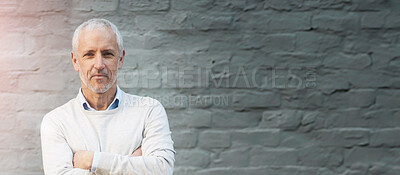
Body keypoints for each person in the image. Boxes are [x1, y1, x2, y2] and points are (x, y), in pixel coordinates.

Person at [40, 18, 175, 175]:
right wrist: (134, 163)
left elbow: (162, 170)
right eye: (89, 54)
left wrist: (93, 160)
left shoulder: (149, 111)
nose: (99, 64)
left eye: (107, 54)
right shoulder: (56, 122)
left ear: (120, 59)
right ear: (75, 61)